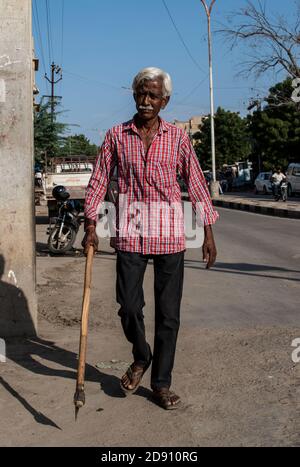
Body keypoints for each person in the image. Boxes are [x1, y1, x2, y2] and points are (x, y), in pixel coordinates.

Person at [82, 67, 219, 410]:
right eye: (141, 94)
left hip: (171, 234)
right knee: (128, 306)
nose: (146, 101)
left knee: (169, 314)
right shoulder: (116, 136)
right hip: (129, 232)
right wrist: (89, 225)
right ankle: (141, 355)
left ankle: (161, 383)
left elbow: (197, 184)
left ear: (165, 101)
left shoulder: (178, 138)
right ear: (134, 95)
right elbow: (98, 180)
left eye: (153, 96)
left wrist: (208, 232)